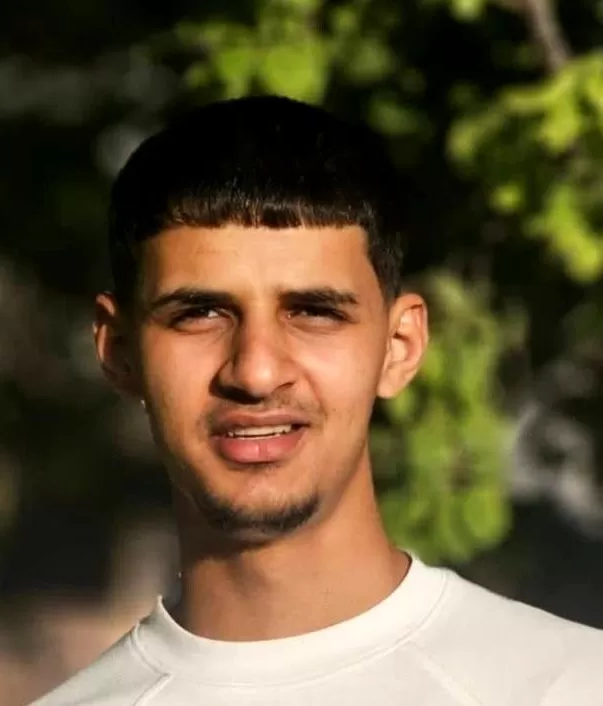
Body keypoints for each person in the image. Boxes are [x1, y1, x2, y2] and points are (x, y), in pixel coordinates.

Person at [33, 95, 603, 706]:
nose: (256, 372)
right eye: (200, 313)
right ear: (120, 352)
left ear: (400, 346)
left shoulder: (571, 685)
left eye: (313, 312)